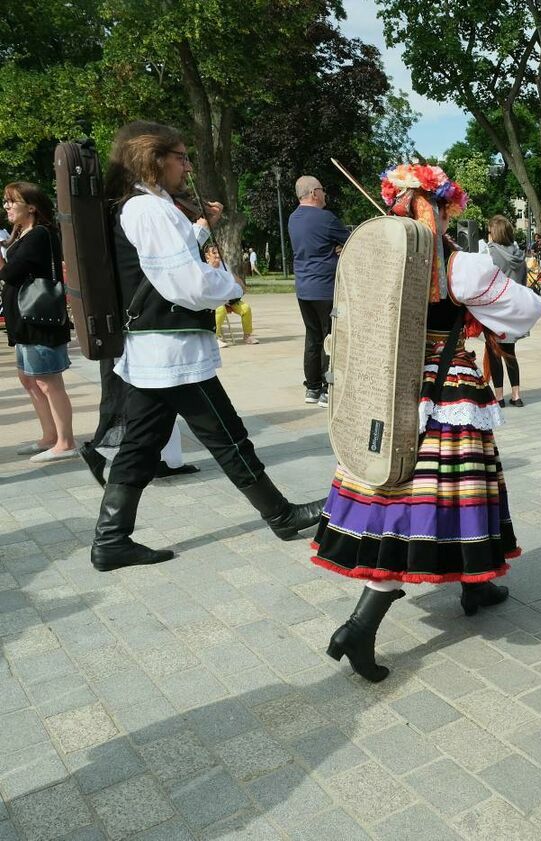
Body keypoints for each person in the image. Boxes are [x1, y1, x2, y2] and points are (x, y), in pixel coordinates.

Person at [313, 161, 541, 682]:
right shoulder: (462, 267)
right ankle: (360, 625)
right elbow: (526, 311)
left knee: (401, 496)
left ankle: (476, 583)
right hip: (446, 386)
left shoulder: (371, 255)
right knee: (425, 505)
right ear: (441, 208)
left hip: (386, 388)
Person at [89, 120, 323, 572]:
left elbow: (160, 262)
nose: (187, 165)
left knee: (141, 445)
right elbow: (183, 282)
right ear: (155, 160)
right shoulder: (150, 209)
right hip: (172, 352)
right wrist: (227, 285)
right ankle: (282, 516)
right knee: (228, 438)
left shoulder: (149, 207)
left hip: (158, 349)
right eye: (180, 156)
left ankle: (111, 540)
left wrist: (199, 230)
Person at [0, 181, 78, 462]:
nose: (7, 206)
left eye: (12, 201)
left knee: (48, 382)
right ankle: (49, 436)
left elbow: (10, 274)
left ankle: (65, 442)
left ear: (31, 207)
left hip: (38, 322)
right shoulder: (23, 234)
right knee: (30, 380)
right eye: (5, 201)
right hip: (25, 322)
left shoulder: (40, 235)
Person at [288, 175, 350, 407]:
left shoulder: (293, 218)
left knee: (313, 337)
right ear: (314, 193)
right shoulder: (325, 218)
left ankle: (312, 388)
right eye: (323, 190)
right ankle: (326, 388)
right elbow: (352, 240)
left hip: (304, 288)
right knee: (330, 338)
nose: (325, 194)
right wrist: (340, 249)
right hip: (324, 287)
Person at [484, 214, 528, 406]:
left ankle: (499, 396)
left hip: (495, 310)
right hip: (515, 310)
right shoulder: (520, 256)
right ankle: (517, 395)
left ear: (494, 233)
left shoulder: (490, 254)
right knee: (510, 352)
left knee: (494, 352)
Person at [206, 245, 258, 346]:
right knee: (221, 310)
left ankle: (247, 336)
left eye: (218, 253)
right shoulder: (205, 268)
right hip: (215, 301)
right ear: (207, 256)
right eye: (214, 253)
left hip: (230, 300)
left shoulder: (224, 265)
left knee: (246, 309)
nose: (217, 255)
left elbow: (233, 276)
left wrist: (242, 285)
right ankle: (215, 337)